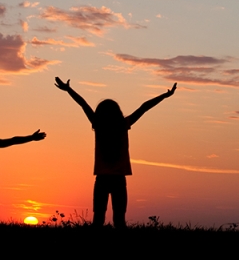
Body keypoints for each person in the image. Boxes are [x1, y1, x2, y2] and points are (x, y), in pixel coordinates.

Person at [54, 77, 177, 228]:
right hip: (115, 179)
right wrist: (164, 96)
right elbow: (143, 108)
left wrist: (69, 90)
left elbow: (83, 104)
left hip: (106, 179)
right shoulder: (121, 124)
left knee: (103, 219)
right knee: (115, 219)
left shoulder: (102, 124)